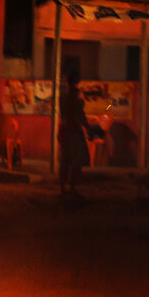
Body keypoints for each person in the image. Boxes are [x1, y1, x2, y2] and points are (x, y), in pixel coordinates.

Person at [58, 70, 89, 200]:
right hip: (74, 131)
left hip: (64, 130)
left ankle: (63, 188)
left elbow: (63, 113)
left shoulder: (63, 94)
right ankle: (72, 188)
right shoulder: (76, 94)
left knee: (65, 160)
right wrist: (88, 127)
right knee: (76, 160)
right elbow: (79, 114)